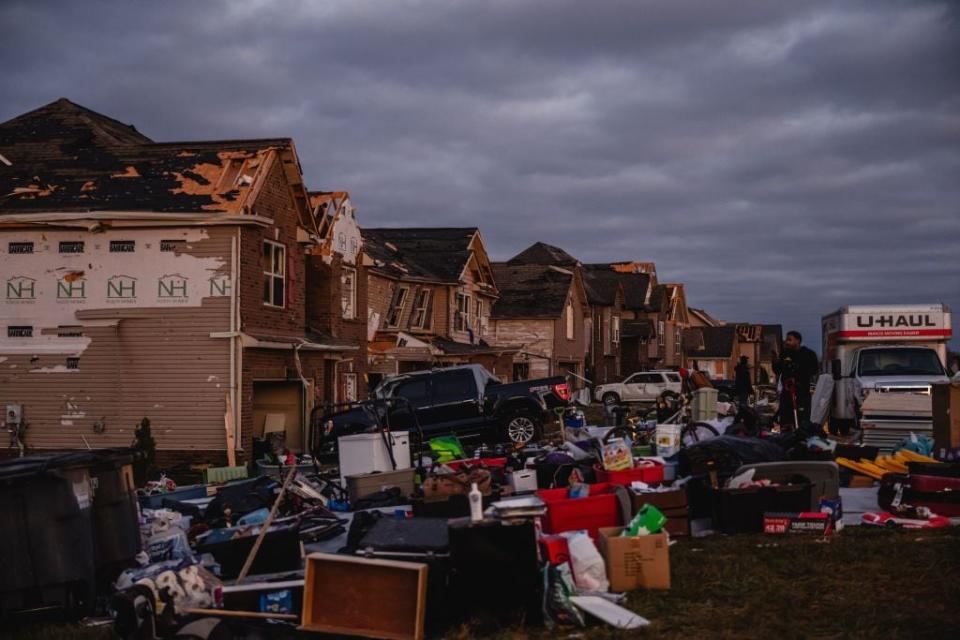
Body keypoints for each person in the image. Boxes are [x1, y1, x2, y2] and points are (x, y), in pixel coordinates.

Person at [772, 330, 819, 431]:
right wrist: (775, 361)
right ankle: (786, 438)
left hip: (802, 392)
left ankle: (801, 438)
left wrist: (799, 369)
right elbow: (777, 370)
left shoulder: (808, 354)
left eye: (790, 340)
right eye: (786, 339)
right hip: (787, 393)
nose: (787, 342)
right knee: (786, 420)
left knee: (802, 419)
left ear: (797, 341)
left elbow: (814, 370)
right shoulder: (784, 354)